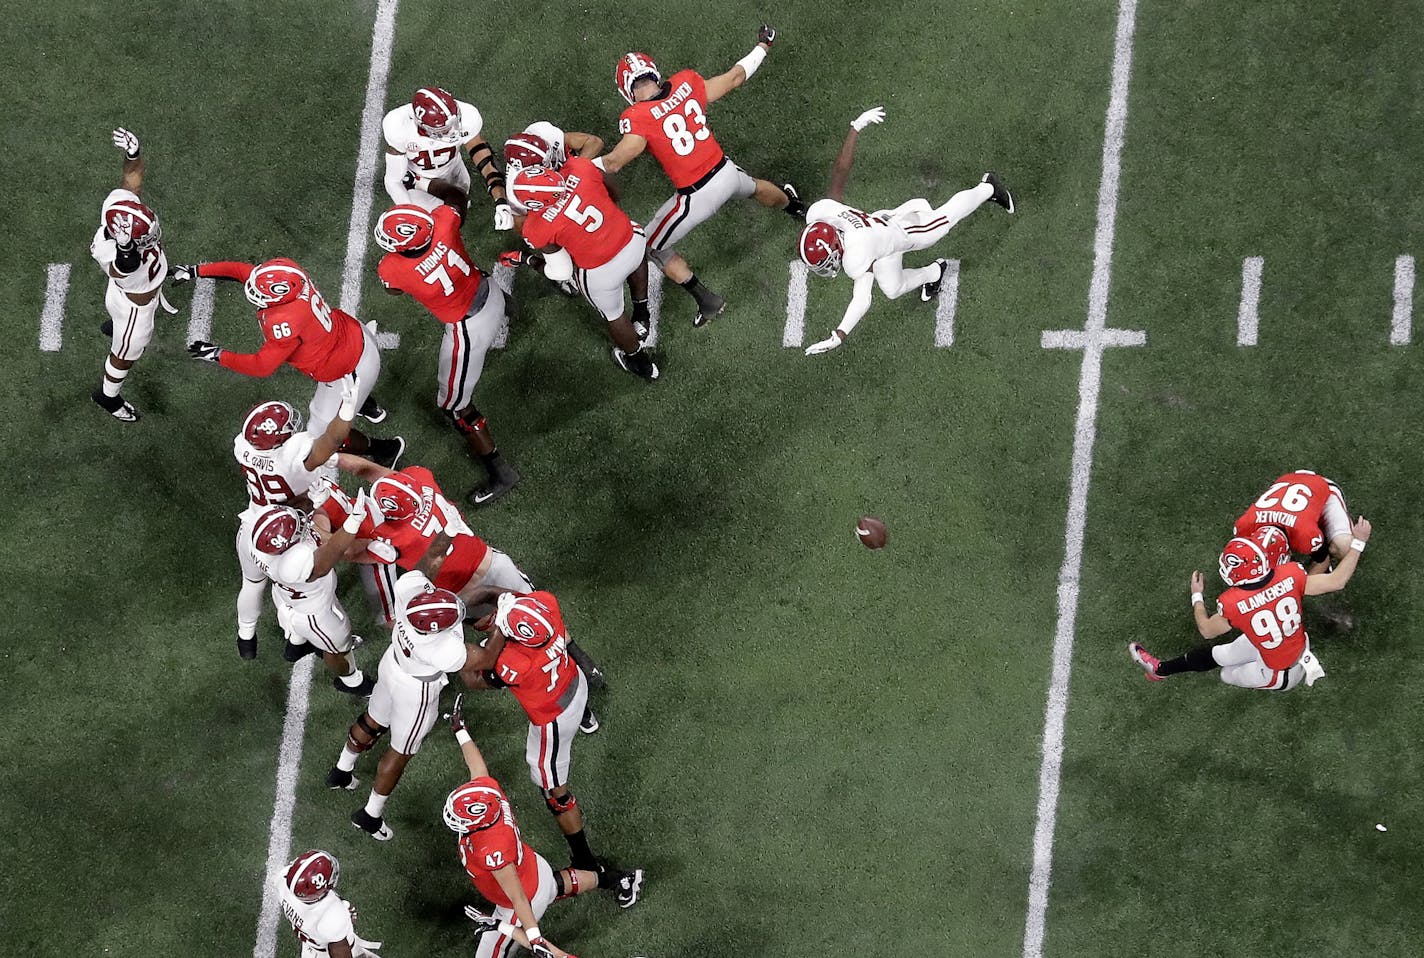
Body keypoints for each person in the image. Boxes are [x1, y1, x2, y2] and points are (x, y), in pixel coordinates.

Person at [597, 26, 806, 326]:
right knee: (754, 187)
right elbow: (735, 77)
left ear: (626, 90)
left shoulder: (636, 117)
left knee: (647, 246)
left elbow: (616, 161)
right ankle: (797, 207)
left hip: (697, 196)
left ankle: (706, 300)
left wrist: (580, 169)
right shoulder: (686, 82)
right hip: (726, 172)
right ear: (654, 72)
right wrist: (763, 46)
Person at [798, 108, 1014, 355]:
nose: (824, 268)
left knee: (945, 219)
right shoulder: (822, 213)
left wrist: (839, 335)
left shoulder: (856, 256)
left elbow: (862, 299)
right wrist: (854, 129)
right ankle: (936, 271)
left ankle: (988, 188)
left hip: (906, 231)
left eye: (824, 262)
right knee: (892, 289)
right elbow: (839, 173)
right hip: (879, 233)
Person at [444, 695, 643, 958]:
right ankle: (614, 878)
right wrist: (461, 731)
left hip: (520, 898)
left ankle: (615, 878)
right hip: (532, 868)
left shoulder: (493, 850)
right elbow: (479, 771)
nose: (459, 822)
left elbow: (518, 899)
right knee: (551, 886)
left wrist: (529, 936)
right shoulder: (490, 798)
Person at [374, 181, 520, 506]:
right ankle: (512, 308)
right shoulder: (443, 222)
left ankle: (501, 472)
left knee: (454, 405)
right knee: (485, 283)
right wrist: (426, 183)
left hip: (468, 329)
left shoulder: (392, 268)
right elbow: (456, 197)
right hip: (490, 291)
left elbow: (393, 289)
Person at [177, 258, 404, 464]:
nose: (258, 299)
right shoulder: (291, 278)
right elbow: (243, 271)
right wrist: (195, 270)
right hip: (357, 335)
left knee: (319, 435)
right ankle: (368, 405)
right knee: (342, 388)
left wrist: (219, 355)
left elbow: (262, 366)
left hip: (350, 371)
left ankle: (385, 449)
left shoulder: (285, 321)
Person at [326, 571, 484, 841]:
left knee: (372, 719)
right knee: (400, 752)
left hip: (392, 665)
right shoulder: (443, 649)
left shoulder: (408, 590)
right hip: (417, 692)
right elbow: (481, 660)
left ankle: (342, 769)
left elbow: (419, 580)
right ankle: (371, 815)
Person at [1129, 518, 1372, 691]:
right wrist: (1358, 542)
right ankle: (1160, 670)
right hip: (1288, 644)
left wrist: (1197, 596)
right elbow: (1337, 580)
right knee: (1221, 654)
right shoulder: (1291, 574)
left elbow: (1206, 629)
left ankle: (1163, 671)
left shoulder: (1232, 602)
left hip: (1280, 673)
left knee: (1227, 674)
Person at [459, 590, 601, 870]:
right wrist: (485, 608)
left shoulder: (515, 662)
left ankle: (585, 859)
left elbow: (474, 678)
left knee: (555, 795)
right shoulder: (547, 606)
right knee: (572, 684)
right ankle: (588, 717)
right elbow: (506, 595)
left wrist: (459, 639)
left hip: (553, 722)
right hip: (573, 682)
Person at [233, 381, 358, 660]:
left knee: (252, 584)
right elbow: (331, 442)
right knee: (304, 585)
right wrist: (346, 412)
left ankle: (246, 640)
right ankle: (297, 639)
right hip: (288, 530)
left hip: (253, 526)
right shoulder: (292, 455)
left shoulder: (243, 447)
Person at [500, 163, 659, 380]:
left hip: (602, 272)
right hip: (631, 239)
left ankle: (640, 363)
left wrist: (526, 259)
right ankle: (642, 313)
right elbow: (615, 192)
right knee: (634, 252)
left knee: (614, 316)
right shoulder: (579, 168)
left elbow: (562, 271)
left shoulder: (536, 227)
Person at [248, 493, 376, 697]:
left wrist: (318, 505)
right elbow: (337, 551)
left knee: (298, 629)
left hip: (287, 598)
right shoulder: (293, 564)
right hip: (315, 614)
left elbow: (307, 525)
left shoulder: (261, 541)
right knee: (338, 648)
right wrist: (353, 523)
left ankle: (296, 646)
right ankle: (351, 681)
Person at [90, 128, 173, 422]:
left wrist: (132, 155)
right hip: (135, 308)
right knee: (125, 355)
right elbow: (121, 269)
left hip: (121, 294)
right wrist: (126, 249)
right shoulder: (111, 254)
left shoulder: (118, 208)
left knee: (118, 317)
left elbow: (131, 181)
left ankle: (115, 326)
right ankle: (107, 396)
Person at [382, 86, 511, 232]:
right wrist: (410, 213)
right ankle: (417, 182)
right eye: (444, 130)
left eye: (455, 123)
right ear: (424, 126)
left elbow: (484, 158)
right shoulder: (399, 126)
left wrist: (501, 201)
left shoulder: (467, 116)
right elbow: (393, 180)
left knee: (458, 208)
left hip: (454, 170)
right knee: (436, 230)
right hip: (420, 183)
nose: (454, 130)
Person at [1231, 470, 1353, 572]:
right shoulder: (1244, 527)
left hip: (1322, 488)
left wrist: (1299, 589)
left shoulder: (1305, 535)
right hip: (1287, 483)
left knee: (1344, 547)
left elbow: (1322, 561)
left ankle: (1321, 525)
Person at [274, 849, 383, 958]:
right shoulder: (331, 917)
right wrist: (344, 916)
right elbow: (339, 949)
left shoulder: (282, 880)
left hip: (312, 947)